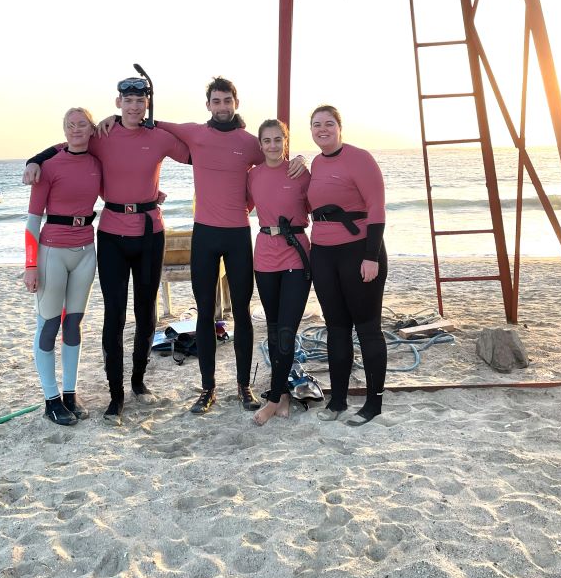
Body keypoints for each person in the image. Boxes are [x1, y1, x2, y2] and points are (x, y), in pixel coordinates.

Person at [100, 75, 305, 415]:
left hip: (238, 234)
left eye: (227, 101)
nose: (222, 107)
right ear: (208, 105)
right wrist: (111, 120)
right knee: (206, 313)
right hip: (205, 236)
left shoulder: (250, 142)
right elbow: (150, 121)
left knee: (241, 312)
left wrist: (298, 159)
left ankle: (244, 387)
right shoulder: (194, 132)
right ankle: (207, 389)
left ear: (235, 103)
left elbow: (276, 158)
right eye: (216, 101)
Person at [23, 76, 190, 426]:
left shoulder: (159, 137)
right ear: (118, 103)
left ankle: (138, 383)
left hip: (150, 231)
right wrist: (35, 158)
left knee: (147, 312)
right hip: (111, 233)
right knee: (114, 313)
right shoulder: (103, 134)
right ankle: (115, 396)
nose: (133, 107)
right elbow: (71, 143)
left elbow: (196, 154)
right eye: (127, 101)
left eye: (140, 101)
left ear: (147, 103)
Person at [307, 105, 387, 426]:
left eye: (328, 124)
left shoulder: (360, 158)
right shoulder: (314, 162)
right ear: (310, 131)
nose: (322, 129)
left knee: (367, 329)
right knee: (336, 329)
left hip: (359, 253)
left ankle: (373, 403)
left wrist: (371, 256)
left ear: (340, 128)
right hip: (323, 255)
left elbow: (377, 208)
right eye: (316, 125)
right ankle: (338, 400)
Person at [24, 107, 101, 426]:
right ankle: (51, 399)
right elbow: (31, 221)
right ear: (64, 130)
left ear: (91, 128)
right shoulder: (49, 166)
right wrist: (30, 265)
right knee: (49, 325)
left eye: (82, 124)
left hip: (86, 250)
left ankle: (70, 394)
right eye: (70, 125)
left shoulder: (98, 163)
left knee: (74, 324)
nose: (76, 129)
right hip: (52, 252)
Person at [246, 119, 311, 426]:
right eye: (266, 141)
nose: (272, 146)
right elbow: (236, 206)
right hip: (265, 255)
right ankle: (283, 393)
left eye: (277, 140)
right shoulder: (253, 176)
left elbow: (324, 204)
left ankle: (272, 400)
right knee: (273, 328)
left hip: (296, 254)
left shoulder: (300, 173)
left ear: (286, 141)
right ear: (260, 145)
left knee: (287, 328)